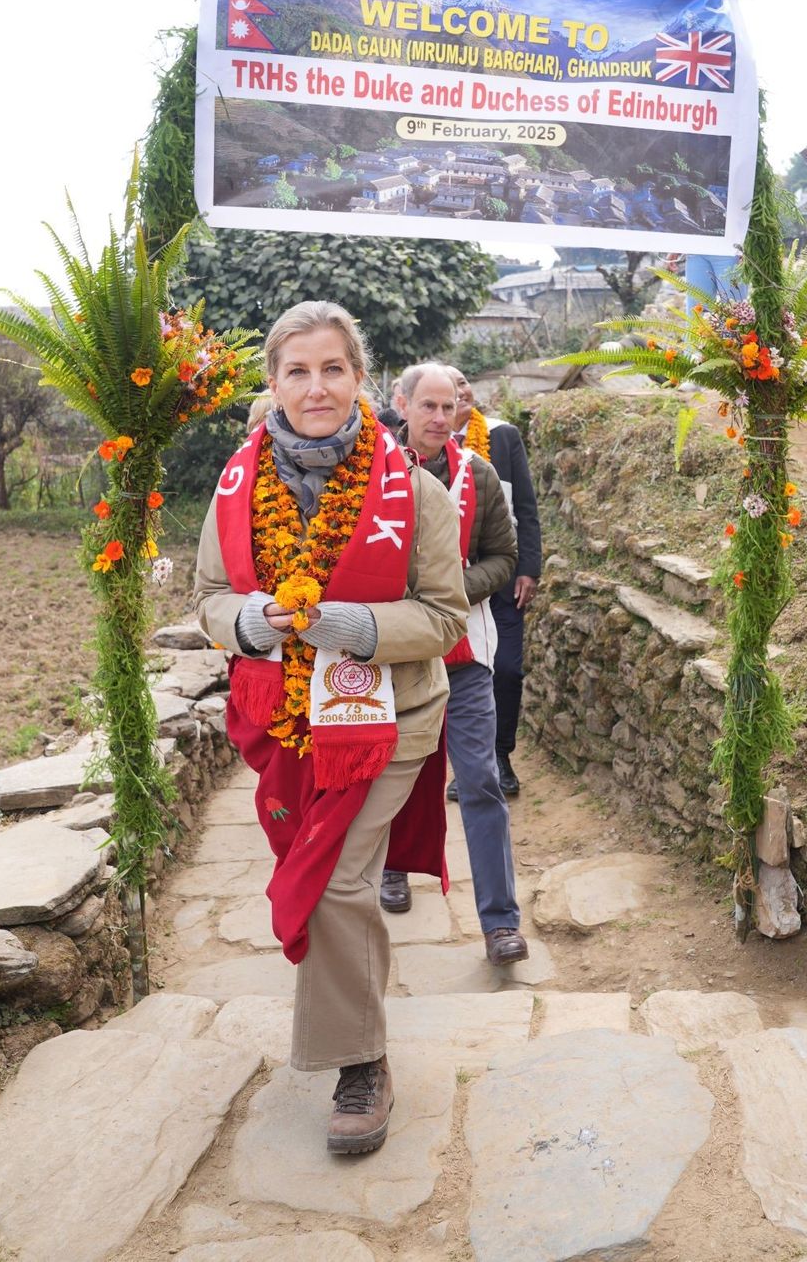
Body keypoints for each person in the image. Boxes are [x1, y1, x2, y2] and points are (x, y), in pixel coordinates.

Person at [193, 301, 468, 1157]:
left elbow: (445, 617)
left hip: (391, 723)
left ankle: (362, 1063)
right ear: (274, 381)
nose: (317, 387)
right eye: (298, 371)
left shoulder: (413, 490)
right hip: (282, 721)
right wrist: (252, 622)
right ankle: (353, 1033)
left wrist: (355, 627)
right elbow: (207, 599)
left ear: (361, 379)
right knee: (316, 870)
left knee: (341, 878)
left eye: (334, 369)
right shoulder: (237, 486)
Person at [379, 363, 528, 967]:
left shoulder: (480, 475)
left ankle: (500, 923)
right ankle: (391, 867)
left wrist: (451, 591)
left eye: (452, 408)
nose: (441, 419)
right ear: (403, 404)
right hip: (391, 656)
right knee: (389, 772)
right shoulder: (369, 476)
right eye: (430, 407)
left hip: (465, 655)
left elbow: (504, 554)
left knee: (480, 779)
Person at [446, 366, 541, 797]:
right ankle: (462, 766)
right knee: (451, 677)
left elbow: (525, 503)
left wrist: (529, 568)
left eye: (464, 382)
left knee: (505, 670)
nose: (461, 390)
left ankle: (501, 755)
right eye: (450, 387)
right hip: (445, 586)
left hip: (501, 578)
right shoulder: (420, 445)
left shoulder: (502, 437)